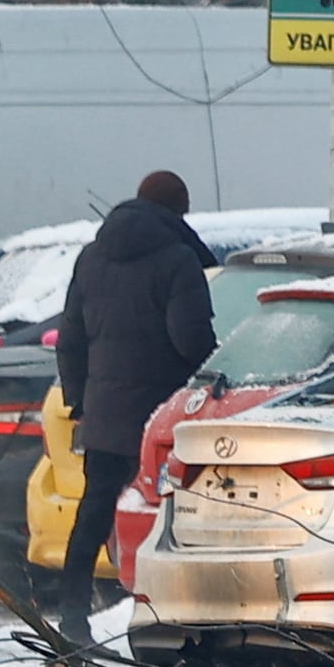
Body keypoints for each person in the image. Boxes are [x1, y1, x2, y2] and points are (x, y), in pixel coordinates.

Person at [50, 169, 214, 602]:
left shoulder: (91, 258)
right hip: (161, 418)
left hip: (103, 414)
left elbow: (69, 341)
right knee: (169, 515)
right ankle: (158, 607)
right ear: (179, 210)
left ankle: (72, 615)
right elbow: (191, 339)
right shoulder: (179, 259)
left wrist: (80, 402)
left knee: (93, 514)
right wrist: (214, 379)